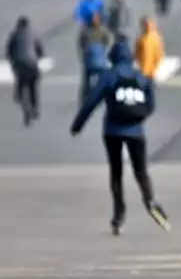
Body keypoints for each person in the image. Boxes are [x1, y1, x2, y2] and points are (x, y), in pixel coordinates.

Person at [70, 41, 169, 235]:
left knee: (116, 173)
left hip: (112, 131)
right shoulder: (141, 77)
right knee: (141, 171)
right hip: (136, 131)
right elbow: (150, 104)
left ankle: (119, 214)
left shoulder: (109, 76)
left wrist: (78, 125)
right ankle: (150, 201)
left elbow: (92, 101)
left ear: (112, 58)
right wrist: (139, 117)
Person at [6, 16, 45, 125]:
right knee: (33, 86)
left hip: (19, 64)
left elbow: (9, 51)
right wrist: (39, 57)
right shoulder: (34, 34)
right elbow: (40, 49)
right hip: (32, 64)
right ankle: (35, 108)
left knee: (20, 81)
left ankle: (18, 95)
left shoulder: (14, 34)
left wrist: (12, 61)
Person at [78, 12, 114, 99]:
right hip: (90, 60)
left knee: (104, 79)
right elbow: (81, 43)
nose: (94, 21)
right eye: (93, 19)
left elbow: (109, 41)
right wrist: (85, 52)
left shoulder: (103, 31)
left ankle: (105, 94)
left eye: (96, 19)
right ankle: (85, 97)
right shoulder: (86, 31)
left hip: (100, 60)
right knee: (86, 81)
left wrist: (105, 52)